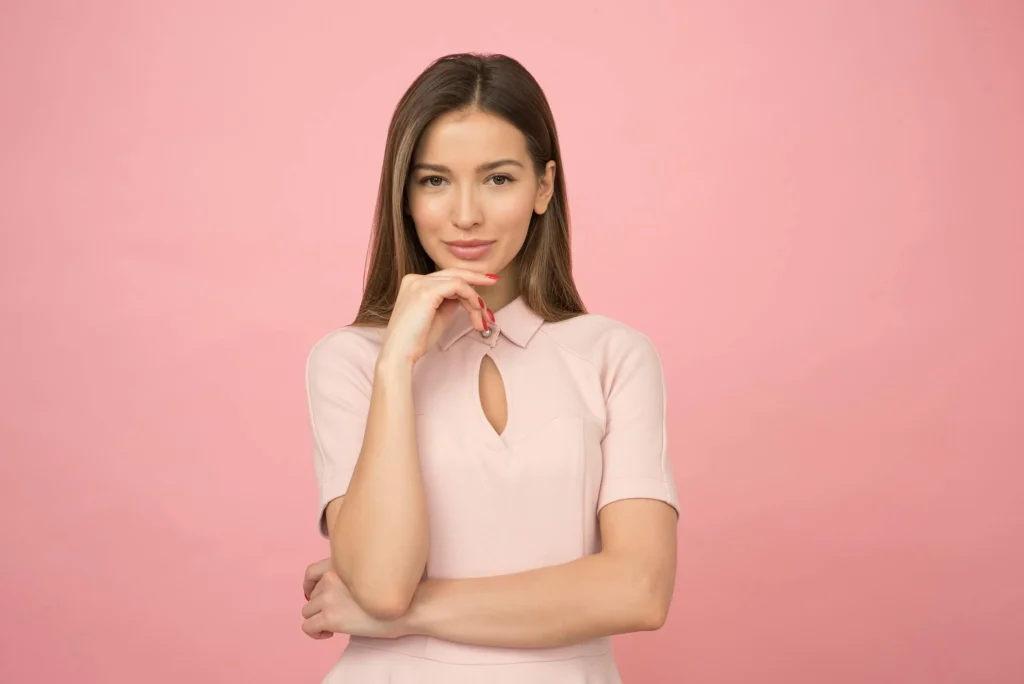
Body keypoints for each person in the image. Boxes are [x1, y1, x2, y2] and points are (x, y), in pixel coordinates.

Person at [299, 52, 679, 683]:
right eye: (434, 180)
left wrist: (404, 616)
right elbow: (381, 583)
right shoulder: (352, 362)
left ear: (544, 187)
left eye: (498, 179)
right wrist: (397, 362)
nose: (466, 213)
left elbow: (638, 590)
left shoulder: (614, 356)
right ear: (405, 193)